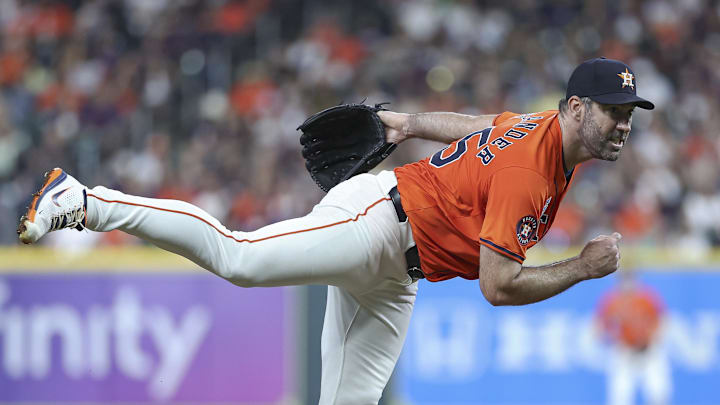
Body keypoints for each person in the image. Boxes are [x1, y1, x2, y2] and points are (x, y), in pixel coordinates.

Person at [17, 57, 653, 404]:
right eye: (614, 112)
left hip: (399, 277)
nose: (625, 124)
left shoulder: (542, 130)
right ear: (576, 108)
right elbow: (497, 287)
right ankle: (86, 201)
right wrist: (582, 268)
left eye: (630, 114)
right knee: (239, 259)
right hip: (378, 222)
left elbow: (483, 123)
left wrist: (406, 120)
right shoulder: (531, 169)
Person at [596, 269, 671, 405]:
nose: (627, 283)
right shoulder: (613, 300)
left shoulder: (646, 298)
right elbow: (599, 327)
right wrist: (612, 339)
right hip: (625, 352)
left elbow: (662, 321)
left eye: (629, 278)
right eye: (624, 279)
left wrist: (652, 340)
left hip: (649, 351)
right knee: (620, 396)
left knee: (658, 393)